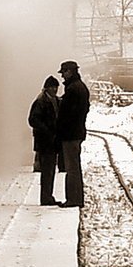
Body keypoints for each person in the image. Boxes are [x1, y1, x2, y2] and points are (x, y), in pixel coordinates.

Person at [56, 60, 90, 208]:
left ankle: (74, 199)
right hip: (76, 132)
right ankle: (76, 198)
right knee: (74, 167)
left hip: (70, 134)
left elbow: (67, 114)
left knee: (72, 169)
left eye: (64, 72)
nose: (62, 76)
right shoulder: (80, 88)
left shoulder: (73, 90)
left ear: (70, 72)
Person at [28, 75, 60, 206]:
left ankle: (48, 196)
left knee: (50, 170)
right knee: (47, 170)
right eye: (53, 87)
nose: (55, 90)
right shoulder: (41, 102)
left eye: (56, 87)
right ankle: (46, 197)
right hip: (45, 141)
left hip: (50, 141)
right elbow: (33, 120)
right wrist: (46, 130)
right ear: (47, 88)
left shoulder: (53, 100)